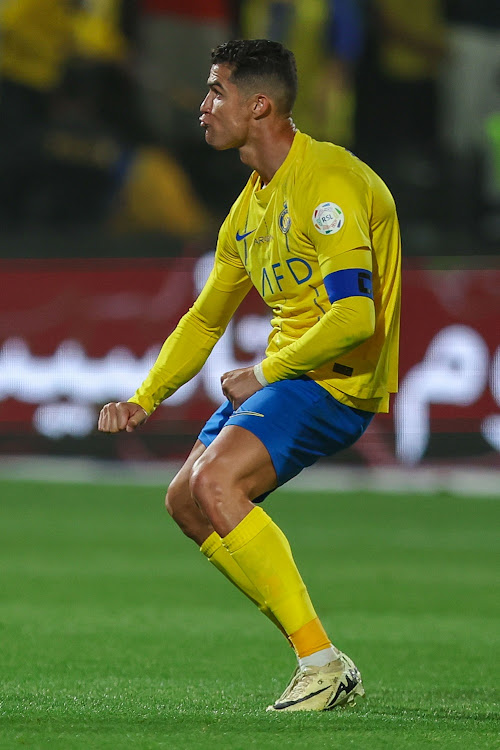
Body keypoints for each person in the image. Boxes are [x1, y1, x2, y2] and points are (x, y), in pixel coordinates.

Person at [98, 39, 401, 712]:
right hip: (291, 376)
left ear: (258, 104)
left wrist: (265, 370)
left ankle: (318, 661)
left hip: (334, 379)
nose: (202, 107)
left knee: (216, 481)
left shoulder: (327, 185)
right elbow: (206, 319)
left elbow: (355, 315)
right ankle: (323, 657)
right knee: (184, 500)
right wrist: (145, 397)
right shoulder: (252, 204)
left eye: (216, 92)